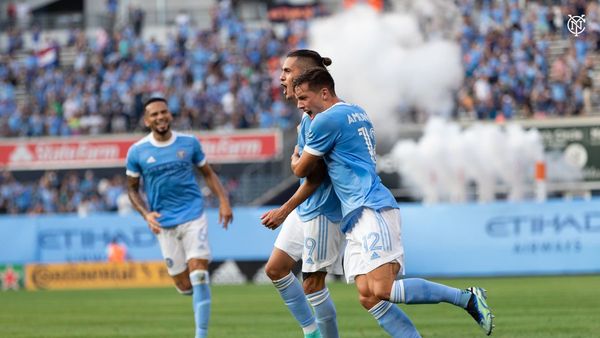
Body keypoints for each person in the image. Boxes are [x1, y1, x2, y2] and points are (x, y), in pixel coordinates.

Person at [290, 68, 495, 337]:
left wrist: (295, 156)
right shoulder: (356, 110)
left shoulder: (326, 120)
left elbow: (302, 169)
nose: (300, 105)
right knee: (368, 295)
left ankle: (466, 298)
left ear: (325, 93)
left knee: (383, 289)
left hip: (370, 207)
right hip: (354, 214)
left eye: (304, 97)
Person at [126, 97, 233, 338]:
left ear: (170, 115)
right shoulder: (137, 151)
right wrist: (146, 214)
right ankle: (194, 292)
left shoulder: (189, 143)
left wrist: (224, 201)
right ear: (146, 120)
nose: (160, 117)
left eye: (163, 112)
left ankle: (201, 335)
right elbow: (131, 189)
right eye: (154, 114)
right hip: (164, 222)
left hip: (193, 214)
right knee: (185, 285)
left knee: (199, 274)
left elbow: (207, 173)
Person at [260, 50, 345, 338]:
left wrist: (283, 210)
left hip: (323, 208)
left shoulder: (325, 117)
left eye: (286, 71)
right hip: (307, 206)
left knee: (313, 284)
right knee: (276, 268)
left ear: (304, 75)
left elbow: (315, 176)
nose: (281, 77)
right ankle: (312, 332)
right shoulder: (307, 117)